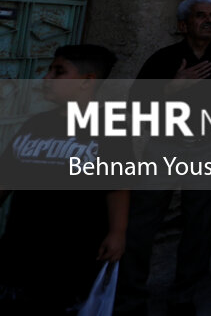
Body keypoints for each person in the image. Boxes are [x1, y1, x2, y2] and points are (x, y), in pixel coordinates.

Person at [121, 0, 211, 316]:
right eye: (200, 15)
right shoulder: (165, 58)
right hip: (164, 146)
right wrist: (171, 88)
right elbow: (135, 105)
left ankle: (183, 296)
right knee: (141, 224)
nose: (209, 20)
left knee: (200, 225)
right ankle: (132, 298)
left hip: (208, 147)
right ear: (182, 25)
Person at [0, 44, 128, 315]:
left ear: (86, 81)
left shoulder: (109, 127)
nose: (46, 79)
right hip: (20, 247)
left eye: (58, 72)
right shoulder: (35, 124)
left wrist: (117, 233)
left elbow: (117, 186)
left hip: (72, 253)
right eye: (49, 70)